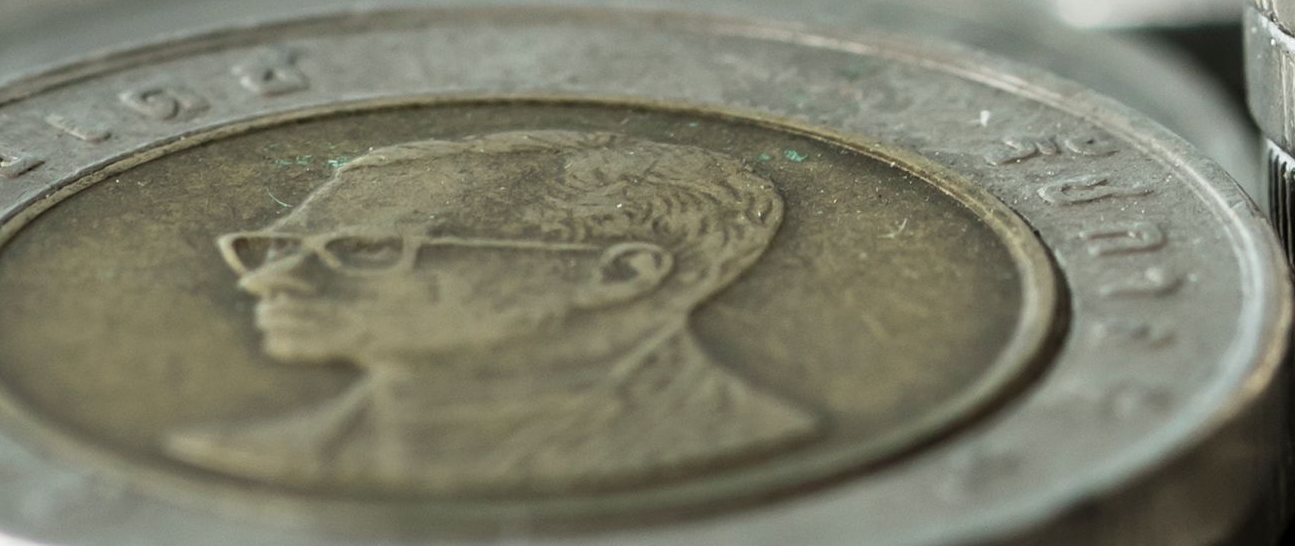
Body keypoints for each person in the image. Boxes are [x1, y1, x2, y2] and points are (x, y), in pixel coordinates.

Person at [176, 129, 819, 494]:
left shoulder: (746, 444)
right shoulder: (250, 453)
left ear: (619, 272)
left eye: (367, 248)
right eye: (276, 247)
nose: (267, 281)